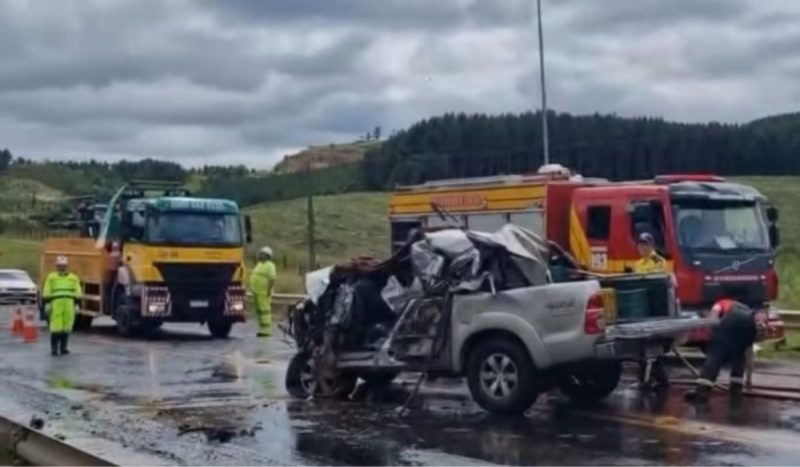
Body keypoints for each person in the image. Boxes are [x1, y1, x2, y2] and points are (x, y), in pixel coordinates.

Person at [684, 299, 761, 403]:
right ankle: (736, 389)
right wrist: (749, 379)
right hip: (749, 324)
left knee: (715, 355)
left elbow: (713, 319)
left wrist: (712, 336)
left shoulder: (718, 303)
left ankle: (701, 391)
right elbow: (749, 350)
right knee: (738, 356)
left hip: (732, 319)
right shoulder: (741, 305)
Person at [633, 232, 669, 389]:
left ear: (651, 246)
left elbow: (657, 281)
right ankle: (649, 378)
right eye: (639, 244)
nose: (641, 247)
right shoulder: (638, 263)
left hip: (654, 307)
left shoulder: (658, 261)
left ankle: (656, 379)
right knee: (643, 345)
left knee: (653, 345)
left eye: (644, 244)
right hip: (642, 306)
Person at [42, 256, 83, 356]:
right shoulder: (52, 277)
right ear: (57, 266)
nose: (62, 267)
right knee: (56, 326)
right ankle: (54, 349)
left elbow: (78, 290)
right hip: (56, 302)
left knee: (67, 325)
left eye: (63, 266)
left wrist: (77, 304)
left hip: (69, 302)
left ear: (67, 266)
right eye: (60, 266)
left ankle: (64, 348)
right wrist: (47, 302)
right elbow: (47, 289)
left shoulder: (73, 278)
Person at [249, 246, 277, 337]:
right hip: (257, 292)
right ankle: (261, 329)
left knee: (265, 311)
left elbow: (272, 279)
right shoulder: (260, 264)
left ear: (267, 256)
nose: (260, 255)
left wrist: (268, 291)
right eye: (260, 253)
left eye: (262, 254)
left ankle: (266, 330)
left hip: (264, 292)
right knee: (260, 311)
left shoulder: (270, 265)